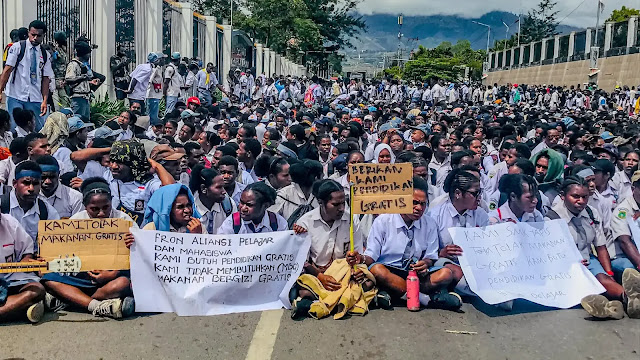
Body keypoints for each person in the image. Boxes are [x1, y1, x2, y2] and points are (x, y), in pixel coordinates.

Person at [41, 177, 136, 318]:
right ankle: (96, 306)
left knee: (122, 284)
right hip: (82, 276)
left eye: (106, 207)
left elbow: (139, 257)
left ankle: (70, 299)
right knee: (47, 278)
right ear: (85, 206)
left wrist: (114, 272)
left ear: (111, 203)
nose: (101, 213)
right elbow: (63, 252)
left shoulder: (125, 221)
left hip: (111, 277)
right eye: (95, 209)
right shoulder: (76, 221)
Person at [363, 176, 462, 311]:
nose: (419, 208)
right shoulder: (383, 221)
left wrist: (425, 264)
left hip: (416, 274)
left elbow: (431, 256)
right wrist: (361, 259)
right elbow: (372, 254)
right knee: (377, 270)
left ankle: (394, 293)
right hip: (390, 271)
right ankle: (425, 299)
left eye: (423, 204)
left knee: (446, 274)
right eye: (414, 202)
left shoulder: (430, 224)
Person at [290, 179, 374, 319]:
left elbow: (358, 255)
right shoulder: (305, 222)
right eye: (335, 204)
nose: (341, 208)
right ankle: (344, 301)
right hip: (318, 274)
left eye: (343, 203)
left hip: (345, 274)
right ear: (321, 203)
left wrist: (356, 269)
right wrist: (321, 277)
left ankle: (317, 303)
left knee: (368, 281)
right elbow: (302, 262)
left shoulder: (352, 220)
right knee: (305, 288)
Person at [428, 169, 490, 296]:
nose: (479, 198)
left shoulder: (481, 215)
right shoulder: (435, 216)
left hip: (476, 265)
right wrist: (441, 252)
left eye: (480, 193)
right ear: (458, 193)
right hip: (448, 264)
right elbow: (426, 252)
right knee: (445, 268)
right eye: (475, 193)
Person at [0, 20, 53, 132]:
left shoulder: (45, 54)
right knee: (14, 129)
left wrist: (44, 100)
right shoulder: (17, 48)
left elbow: (46, 79)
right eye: (32, 34)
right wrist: (0, 91)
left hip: (35, 97)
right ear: (28, 33)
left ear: (43, 36)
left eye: (38, 36)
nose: (35, 38)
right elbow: (7, 70)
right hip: (16, 95)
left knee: (39, 129)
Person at [109, 140, 174, 226]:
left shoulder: (149, 184)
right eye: (112, 161)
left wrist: (157, 166)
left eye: (120, 162)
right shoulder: (108, 176)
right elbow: (84, 156)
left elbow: (172, 191)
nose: (114, 166)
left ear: (133, 163)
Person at [1, 160, 60, 249]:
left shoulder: (47, 211)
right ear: (14, 184)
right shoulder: (2, 205)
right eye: (26, 183)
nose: (31, 188)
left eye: (35, 184)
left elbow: (54, 244)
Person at [0, 211, 46, 323]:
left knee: (36, 290)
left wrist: (26, 262)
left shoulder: (9, 222)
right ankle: (22, 309)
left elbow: (27, 250)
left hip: (11, 279)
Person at [217, 181, 288, 234]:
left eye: (249, 205)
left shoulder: (278, 223)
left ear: (266, 206)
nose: (243, 208)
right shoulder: (232, 223)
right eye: (241, 202)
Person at [609, 170, 640, 281]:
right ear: (633, 189)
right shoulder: (622, 211)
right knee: (631, 271)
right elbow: (624, 242)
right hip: (622, 255)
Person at [189, 165, 236, 234]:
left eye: (223, 186)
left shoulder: (228, 204)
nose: (224, 192)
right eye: (219, 187)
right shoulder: (191, 210)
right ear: (204, 189)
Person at [65, 41, 100, 120]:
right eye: (88, 53)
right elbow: (68, 79)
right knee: (77, 120)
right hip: (77, 98)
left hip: (85, 97)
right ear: (83, 53)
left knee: (86, 122)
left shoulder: (83, 64)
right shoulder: (73, 64)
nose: (89, 56)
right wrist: (83, 77)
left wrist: (90, 82)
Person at [50, 31, 68, 111]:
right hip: (56, 79)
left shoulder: (62, 49)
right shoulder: (55, 49)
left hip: (62, 79)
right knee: (57, 103)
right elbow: (52, 61)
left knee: (64, 101)